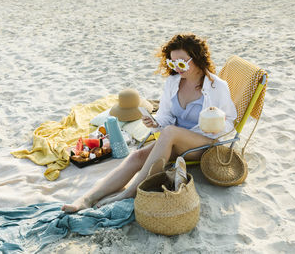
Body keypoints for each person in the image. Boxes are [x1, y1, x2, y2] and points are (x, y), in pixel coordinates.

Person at [61, 33, 237, 213]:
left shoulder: (217, 86)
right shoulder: (173, 82)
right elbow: (166, 116)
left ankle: (129, 192)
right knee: (136, 156)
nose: (177, 68)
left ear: (197, 57)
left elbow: (230, 121)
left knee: (169, 132)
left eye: (182, 63)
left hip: (203, 143)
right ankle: (86, 199)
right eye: (172, 63)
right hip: (174, 140)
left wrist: (214, 125)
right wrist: (154, 122)